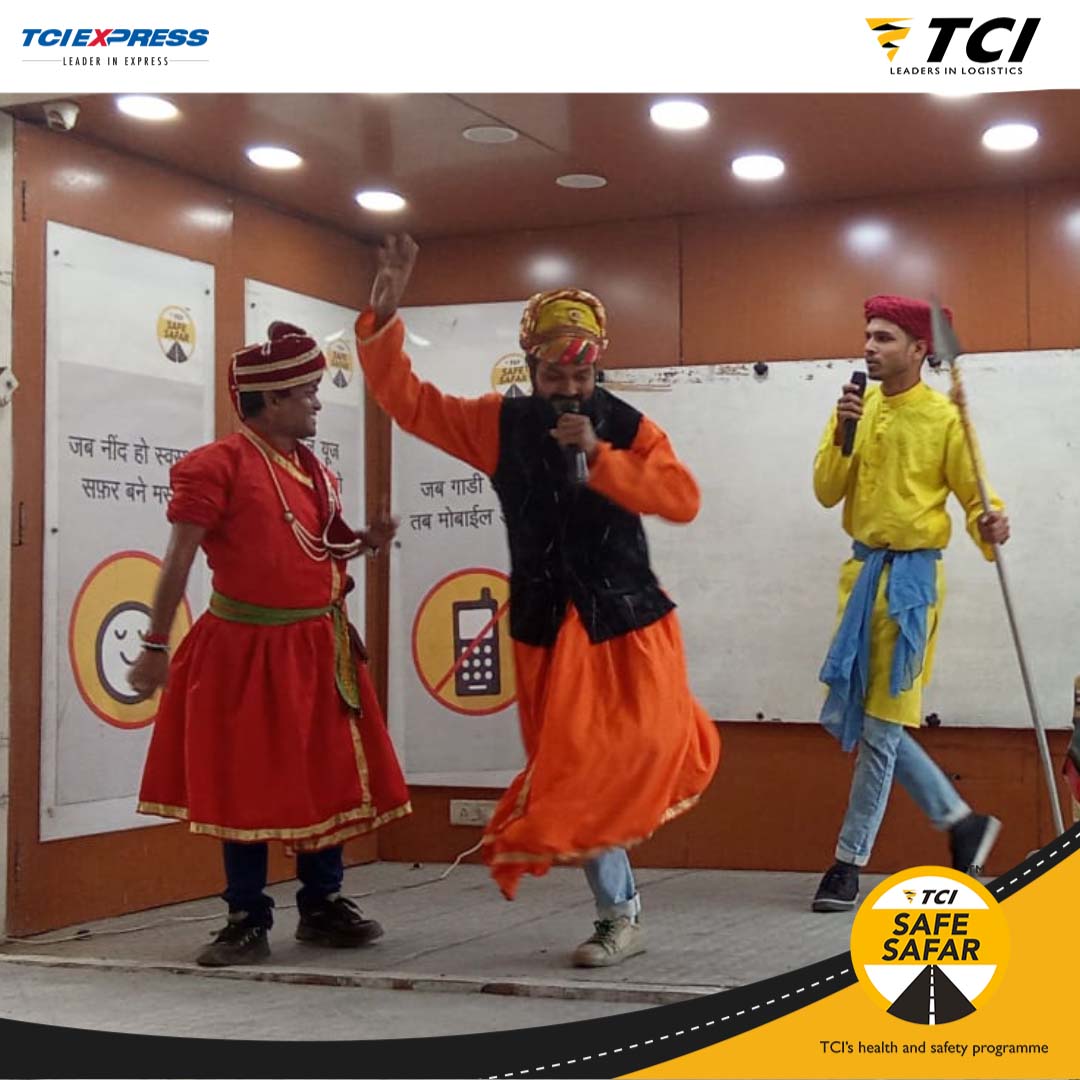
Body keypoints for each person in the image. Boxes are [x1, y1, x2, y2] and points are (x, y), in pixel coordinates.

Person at [355, 235, 720, 968]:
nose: (571, 387)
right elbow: (410, 403)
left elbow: (681, 499)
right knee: (573, 773)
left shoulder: (629, 426)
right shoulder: (499, 424)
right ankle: (619, 914)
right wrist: (384, 315)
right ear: (531, 367)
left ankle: (619, 911)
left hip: (627, 622)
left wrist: (602, 457)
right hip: (546, 628)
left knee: (637, 755)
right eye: (556, 372)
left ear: (598, 367)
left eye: (583, 373)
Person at [131, 321, 411, 966]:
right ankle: (245, 917)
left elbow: (320, 546)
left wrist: (367, 542)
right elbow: (178, 558)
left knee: (326, 772)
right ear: (273, 399)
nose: (317, 403)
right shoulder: (216, 466)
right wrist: (154, 643)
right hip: (245, 649)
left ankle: (323, 905)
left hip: (317, 644)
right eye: (307, 392)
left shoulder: (313, 468)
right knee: (244, 779)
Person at [811, 294, 1009, 913]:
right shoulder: (856, 406)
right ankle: (961, 821)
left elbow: (978, 497)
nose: (869, 347)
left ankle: (847, 862)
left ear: (919, 349)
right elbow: (825, 491)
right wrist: (842, 434)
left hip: (913, 584)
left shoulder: (944, 418)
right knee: (874, 719)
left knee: (880, 725)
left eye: (884, 338)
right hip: (860, 577)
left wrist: (991, 523)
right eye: (868, 336)